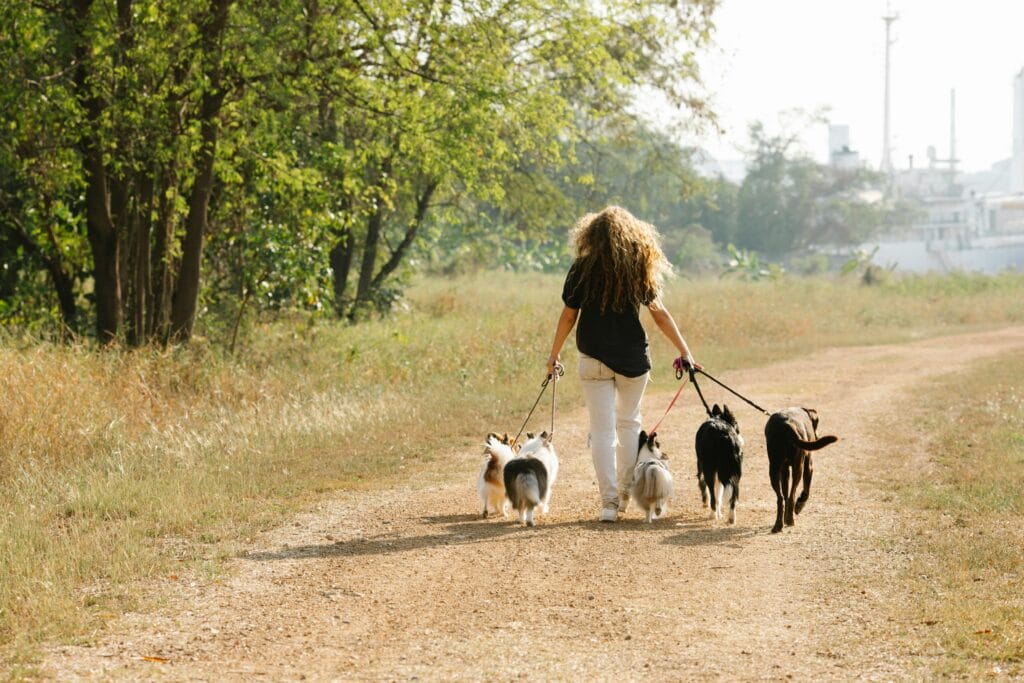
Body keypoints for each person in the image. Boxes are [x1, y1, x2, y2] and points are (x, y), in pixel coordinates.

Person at [545, 205, 700, 522]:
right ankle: (627, 494)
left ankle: (609, 504)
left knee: (602, 431)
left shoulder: (582, 268)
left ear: (591, 234)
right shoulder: (637, 266)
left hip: (593, 358)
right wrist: (685, 351)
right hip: (632, 360)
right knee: (629, 424)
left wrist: (554, 354)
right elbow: (659, 314)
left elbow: (569, 315)